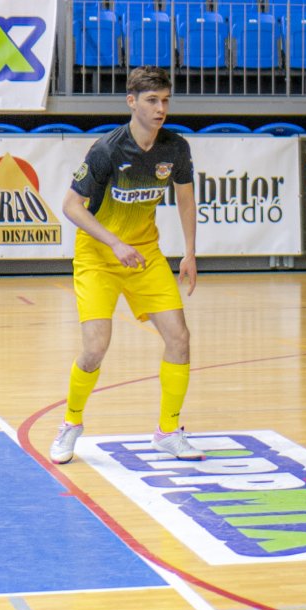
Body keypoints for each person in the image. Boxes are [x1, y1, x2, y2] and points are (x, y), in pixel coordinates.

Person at [48, 66, 203, 466]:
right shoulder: (107, 150)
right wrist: (114, 242)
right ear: (131, 102)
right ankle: (71, 423)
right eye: (152, 100)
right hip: (99, 257)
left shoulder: (175, 148)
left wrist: (189, 252)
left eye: (166, 100)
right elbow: (70, 206)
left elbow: (185, 199)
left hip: (145, 256)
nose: (161, 108)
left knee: (179, 338)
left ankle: (168, 432)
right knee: (96, 348)